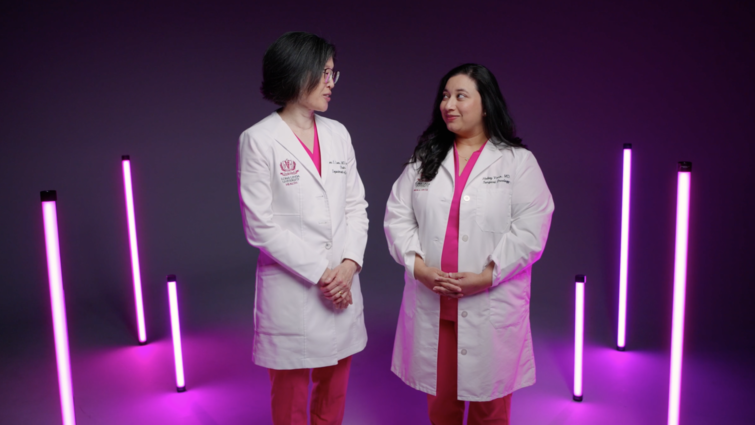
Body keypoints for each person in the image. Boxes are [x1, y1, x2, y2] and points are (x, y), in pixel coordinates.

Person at [383, 63, 554, 425]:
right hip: (435, 305)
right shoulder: (424, 161)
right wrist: (420, 269)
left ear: (486, 104)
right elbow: (397, 216)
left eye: (461, 96)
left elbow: (531, 228)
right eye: (445, 96)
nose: (449, 104)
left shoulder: (517, 163)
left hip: (489, 306)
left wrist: (487, 276)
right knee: (441, 410)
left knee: (489, 411)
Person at [237, 31, 368, 425]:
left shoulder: (338, 133)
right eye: (324, 73)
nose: (331, 82)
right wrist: (324, 275)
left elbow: (356, 205)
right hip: (295, 290)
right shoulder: (258, 140)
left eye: (333, 74)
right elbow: (260, 226)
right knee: (291, 397)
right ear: (297, 74)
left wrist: (348, 267)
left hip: (343, 285)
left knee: (335, 389)